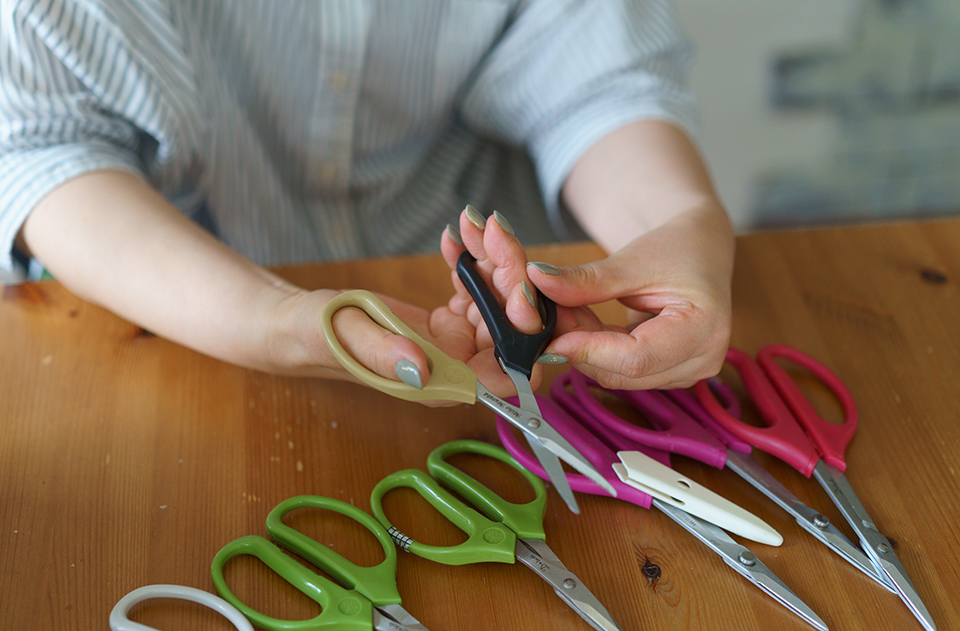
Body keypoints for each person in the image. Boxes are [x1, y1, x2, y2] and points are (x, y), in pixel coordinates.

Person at [0, 0, 733, 399]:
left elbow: (597, 77)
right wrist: (270, 320)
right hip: (178, 329)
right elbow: (43, 147)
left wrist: (678, 222)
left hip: (505, 329)